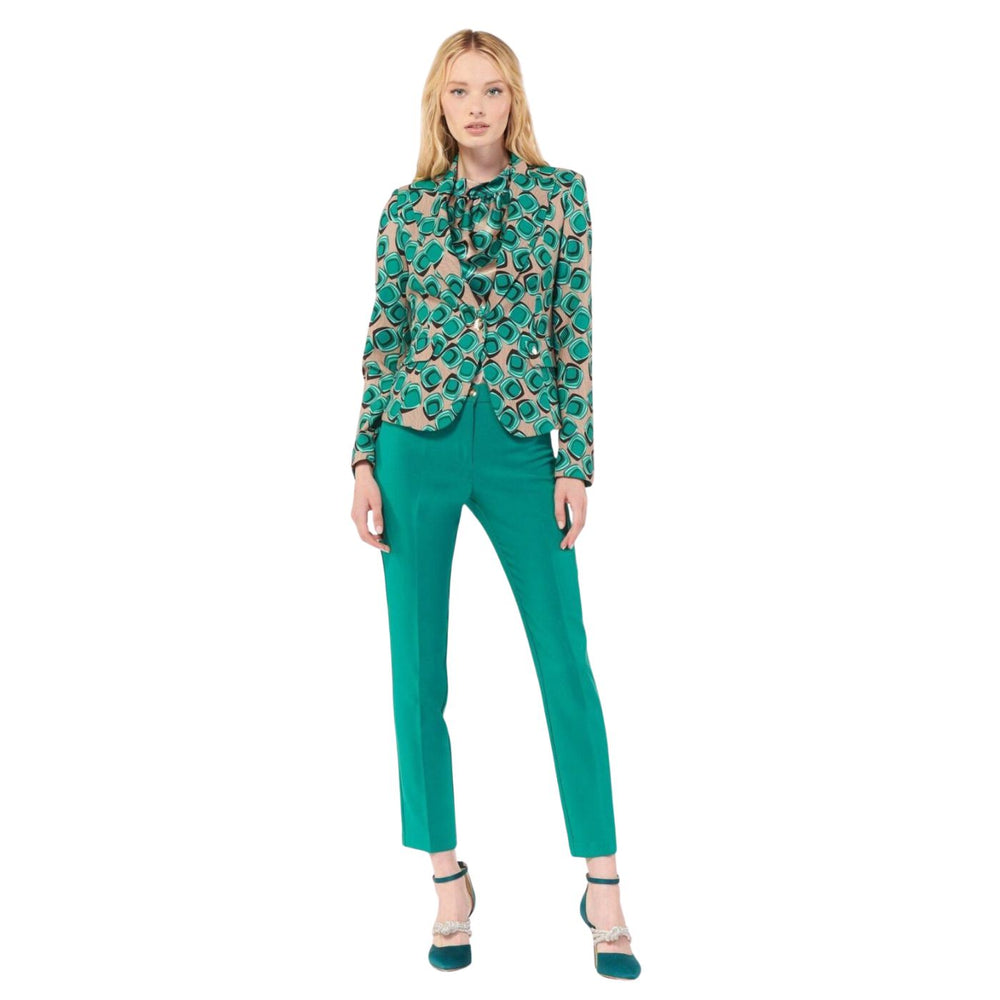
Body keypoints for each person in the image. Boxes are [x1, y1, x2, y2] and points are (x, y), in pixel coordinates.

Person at [349, 29, 640, 980]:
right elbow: (385, 332)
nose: (476, 107)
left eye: (493, 90)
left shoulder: (562, 198)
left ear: (515, 101)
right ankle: (447, 883)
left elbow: (573, 328)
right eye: (459, 91)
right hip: (414, 445)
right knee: (416, 673)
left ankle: (603, 883)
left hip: (521, 448)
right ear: (438, 105)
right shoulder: (405, 210)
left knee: (565, 660)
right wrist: (363, 457)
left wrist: (576, 462)